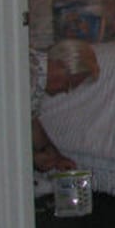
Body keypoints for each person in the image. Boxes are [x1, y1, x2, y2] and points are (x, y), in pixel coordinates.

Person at [30, 38, 99, 171]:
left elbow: (32, 121)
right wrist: (31, 157)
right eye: (69, 83)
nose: (66, 90)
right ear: (60, 66)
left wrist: (56, 157)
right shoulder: (31, 77)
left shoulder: (37, 72)